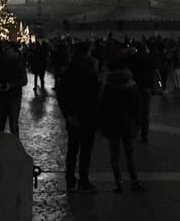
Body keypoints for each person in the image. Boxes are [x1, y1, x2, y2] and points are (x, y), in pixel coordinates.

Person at [57, 42, 100, 192]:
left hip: (73, 117)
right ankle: (83, 180)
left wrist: (68, 114)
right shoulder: (91, 70)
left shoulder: (69, 70)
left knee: (72, 149)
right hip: (88, 116)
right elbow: (96, 95)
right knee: (86, 151)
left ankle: (70, 180)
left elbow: (61, 95)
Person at [99, 59, 145, 193]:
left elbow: (103, 107)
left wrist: (102, 125)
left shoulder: (108, 85)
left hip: (112, 123)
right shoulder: (132, 85)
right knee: (129, 154)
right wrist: (138, 123)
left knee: (114, 155)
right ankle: (134, 181)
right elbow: (138, 106)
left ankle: (118, 183)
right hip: (128, 123)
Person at [0, 41, 28, 136]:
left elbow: (24, 80)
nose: (6, 51)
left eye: (8, 49)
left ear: (13, 50)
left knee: (13, 125)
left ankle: (15, 145)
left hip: (14, 97)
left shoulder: (19, 63)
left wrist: (11, 86)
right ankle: (0, 145)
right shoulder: (1, 62)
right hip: (2, 97)